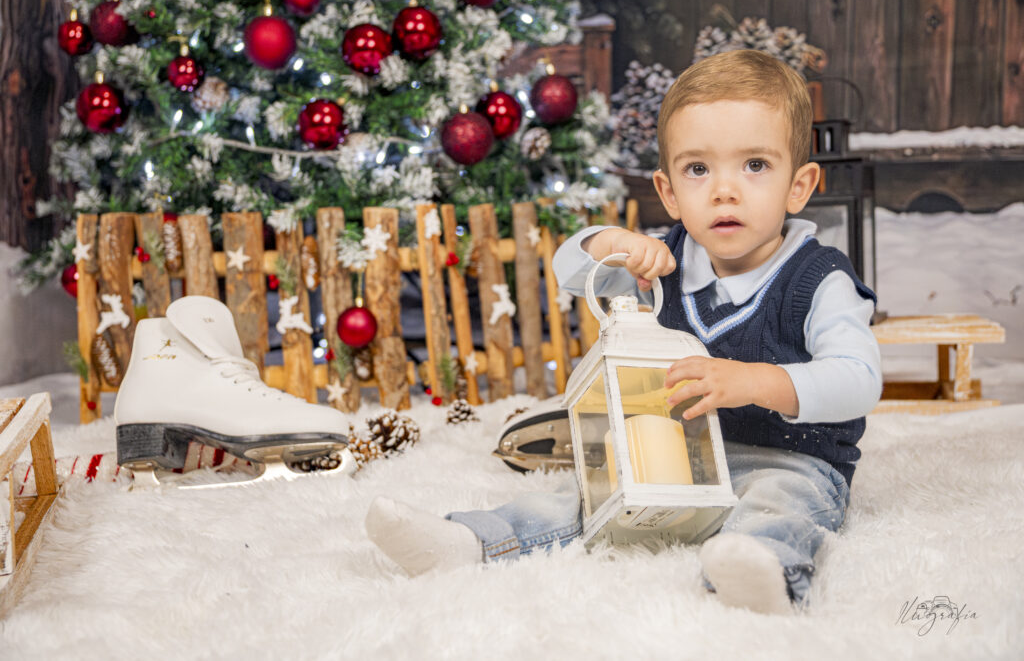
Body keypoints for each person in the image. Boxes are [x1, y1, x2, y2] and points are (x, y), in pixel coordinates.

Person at [364, 49, 882, 614]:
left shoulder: (819, 278)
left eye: (754, 165)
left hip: (793, 460)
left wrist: (754, 380)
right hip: (673, 455)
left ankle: (761, 573)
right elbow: (570, 273)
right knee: (576, 496)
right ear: (667, 191)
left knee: (783, 506)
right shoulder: (663, 265)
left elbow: (858, 380)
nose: (724, 190)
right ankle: (468, 540)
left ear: (799, 186)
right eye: (698, 169)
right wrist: (607, 245)